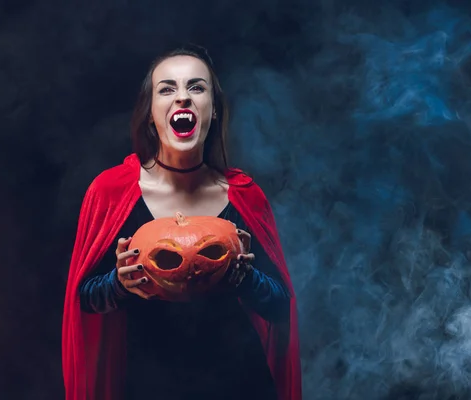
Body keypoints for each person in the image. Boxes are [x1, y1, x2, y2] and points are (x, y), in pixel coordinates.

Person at [62, 44, 302, 400]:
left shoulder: (244, 196)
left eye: (196, 87)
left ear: (214, 111)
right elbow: (83, 299)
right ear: (150, 114)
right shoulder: (110, 193)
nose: (183, 98)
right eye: (167, 89)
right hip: (146, 382)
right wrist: (118, 284)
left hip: (239, 382)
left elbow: (281, 307)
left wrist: (247, 278)